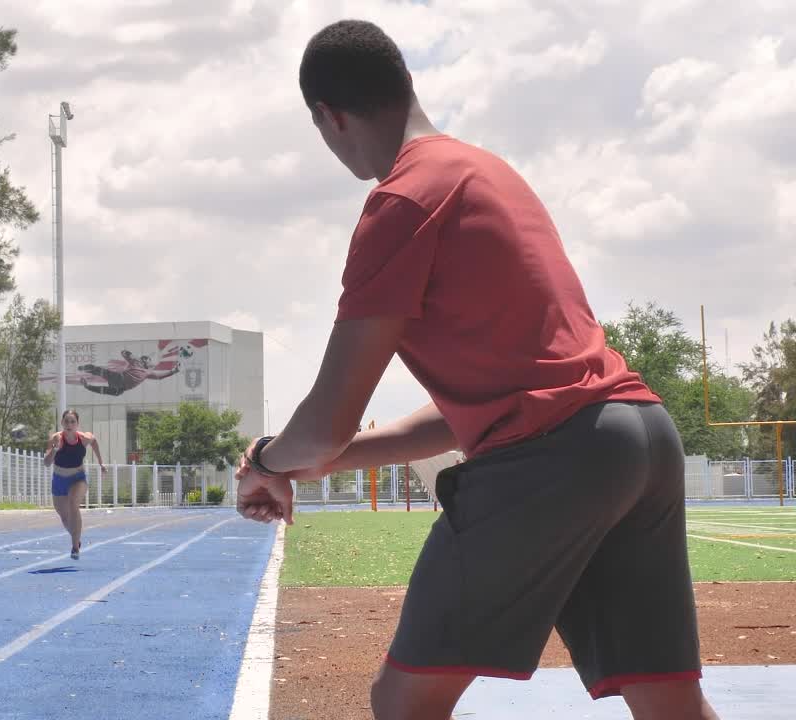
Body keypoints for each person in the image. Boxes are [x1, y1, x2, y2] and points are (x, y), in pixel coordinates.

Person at [234, 19, 719, 720]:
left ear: (328, 118)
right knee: (670, 705)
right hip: (639, 438)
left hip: (553, 461)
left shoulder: (401, 201)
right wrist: (315, 464)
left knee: (404, 701)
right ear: (405, 83)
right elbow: (484, 403)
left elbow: (327, 419)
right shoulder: (488, 173)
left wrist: (265, 458)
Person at [43, 409, 105, 559]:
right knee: (65, 518)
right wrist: (55, 450)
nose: (69, 424)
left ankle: (75, 547)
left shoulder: (83, 438)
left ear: (77, 424)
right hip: (59, 479)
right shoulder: (55, 439)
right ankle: (77, 538)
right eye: (67, 421)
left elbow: (94, 441)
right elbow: (46, 463)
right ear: (62, 423)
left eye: (73, 422)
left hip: (78, 477)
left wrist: (101, 463)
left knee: (73, 505)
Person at [79, 350, 180, 397]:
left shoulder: (147, 373)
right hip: (119, 378)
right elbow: (123, 352)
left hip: (121, 388)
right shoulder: (136, 362)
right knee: (101, 371)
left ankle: (87, 386)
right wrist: (132, 355)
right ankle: (83, 368)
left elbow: (159, 377)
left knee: (113, 392)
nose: (150, 363)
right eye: (149, 361)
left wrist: (173, 371)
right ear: (144, 361)